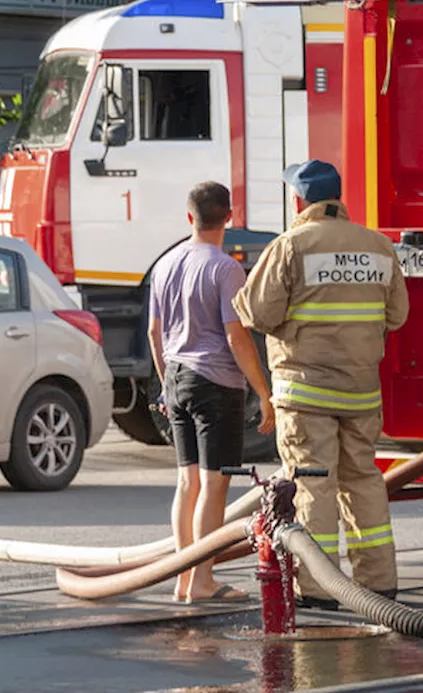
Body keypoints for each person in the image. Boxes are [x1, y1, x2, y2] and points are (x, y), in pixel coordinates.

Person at [233, 160, 409, 610]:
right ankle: (379, 585)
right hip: (361, 391)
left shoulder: (290, 246)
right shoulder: (378, 246)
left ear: (298, 200)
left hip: (305, 393)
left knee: (313, 486)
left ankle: (319, 589)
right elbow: (397, 316)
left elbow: (255, 314)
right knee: (364, 481)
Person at [148, 181, 276, 603]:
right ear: (230, 216)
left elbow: (154, 331)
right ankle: (202, 580)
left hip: (177, 378)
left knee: (187, 483)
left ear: (189, 217)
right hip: (215, 384)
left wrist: (167, 381)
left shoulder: (165, 264)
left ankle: (182, 580)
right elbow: (236, 337)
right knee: (215, 483)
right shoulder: (225, 268)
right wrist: (263, 390)